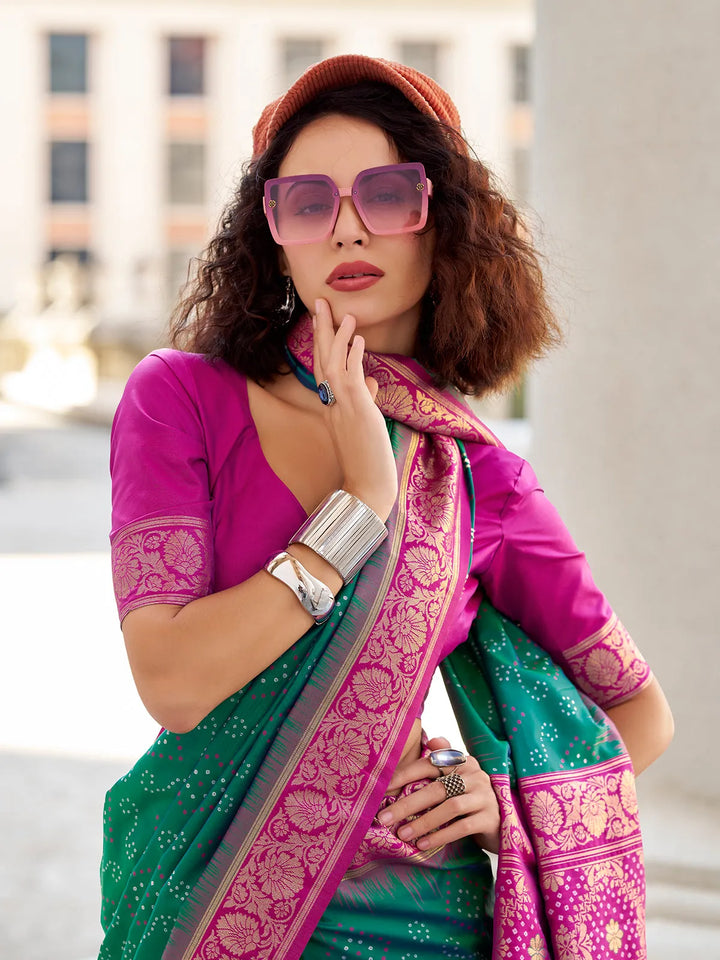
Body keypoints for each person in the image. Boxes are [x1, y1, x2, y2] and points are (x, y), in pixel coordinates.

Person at [99, 55, 673, 960]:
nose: (347, 228)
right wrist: (361, 504)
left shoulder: (480, 479)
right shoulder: (182, 400)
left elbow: (642, 715)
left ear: (444, 221)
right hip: (192, 896)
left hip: (418, 921)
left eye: (387, 194)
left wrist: (503, 800)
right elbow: (172, 683)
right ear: (274, 237)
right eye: (307, 203)